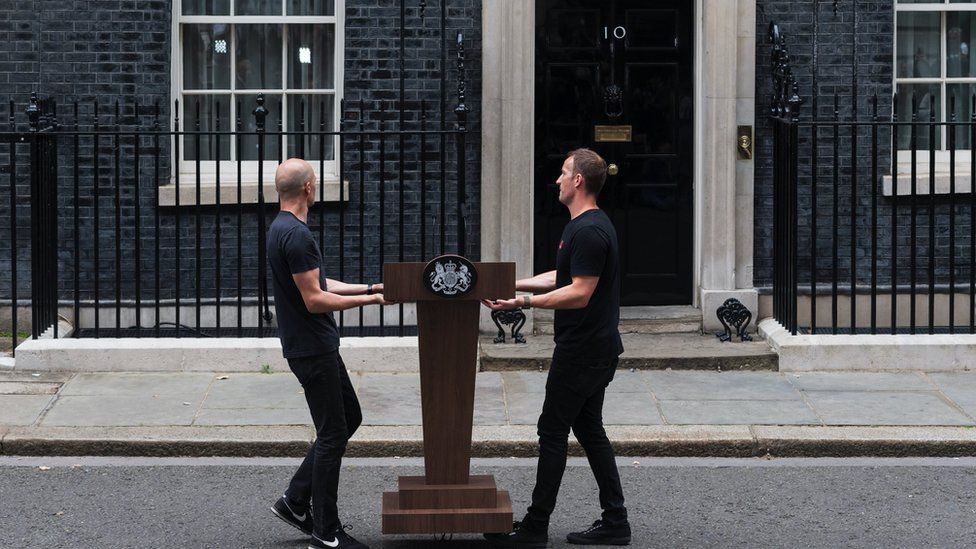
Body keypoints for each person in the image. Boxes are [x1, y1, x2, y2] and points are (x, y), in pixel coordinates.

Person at [483, 149, 630, 548]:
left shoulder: (589, 231)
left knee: (551, 430)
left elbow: (579, 293)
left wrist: (522, 305)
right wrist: (514, 288)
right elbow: (561, 277)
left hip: (583, 351)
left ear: (579, 181)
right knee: (589, 429)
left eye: (564, 173)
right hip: (594, 347)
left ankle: (534, 527)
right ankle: (616, 520)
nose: (558, 180)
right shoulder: (583, 227)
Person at [267, 158, 388, 549]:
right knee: (333, 432)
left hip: (314, 345)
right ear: (307, 188)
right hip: (311, 347)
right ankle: (326, 529)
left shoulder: (282, 228)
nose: (316, 188)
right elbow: (315, 299)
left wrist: (367, 288)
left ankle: (294, 501)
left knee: (349, 417)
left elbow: (320, 281)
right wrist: (367, 303)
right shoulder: (296, 235)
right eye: (315, 183)